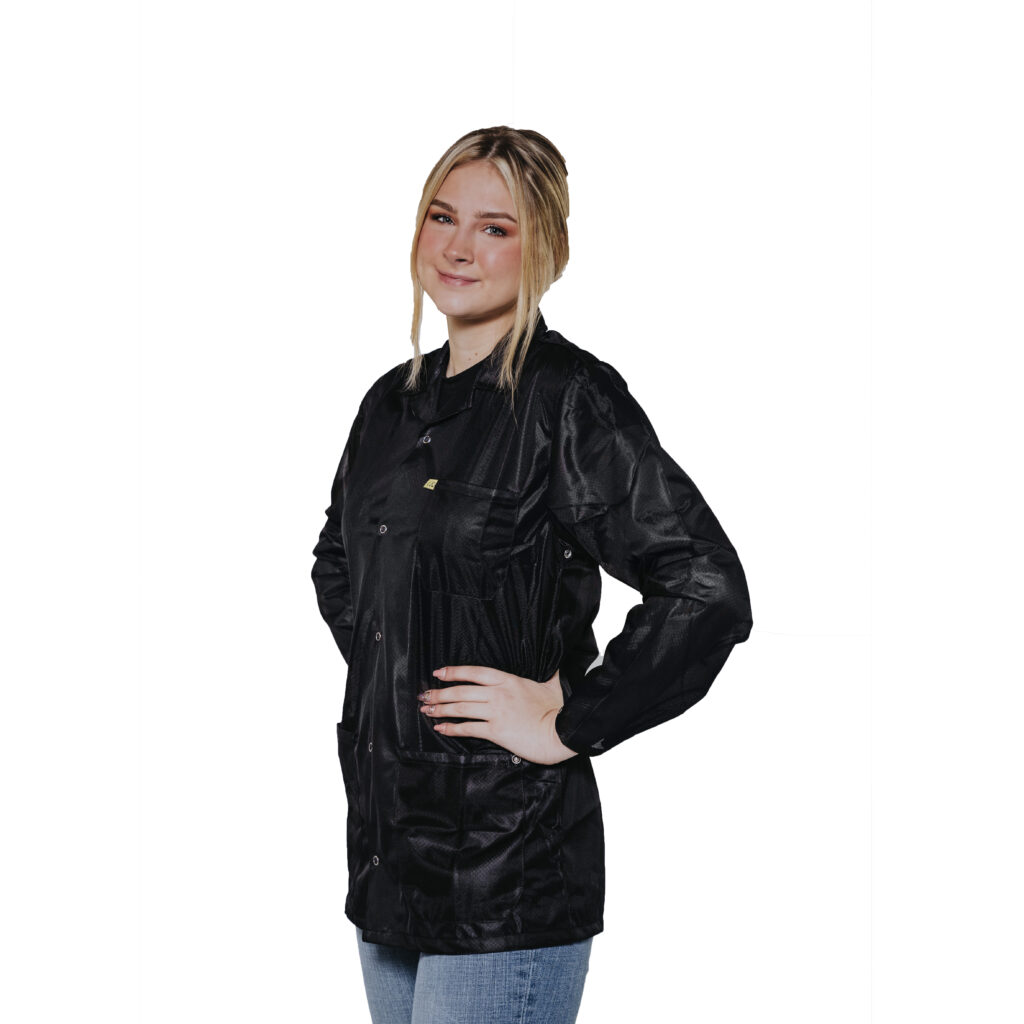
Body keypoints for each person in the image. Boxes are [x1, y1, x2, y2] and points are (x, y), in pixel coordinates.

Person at [311, 126, 753, 1024]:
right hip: (390, 862)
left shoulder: (568, 400)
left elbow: (704, 585)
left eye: (495, 228)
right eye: (442, 217)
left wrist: (568, 720)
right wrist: (410, 683)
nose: (458, 248)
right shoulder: (390, 404)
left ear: (545, 249)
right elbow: (339, 564)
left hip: (506, 876)